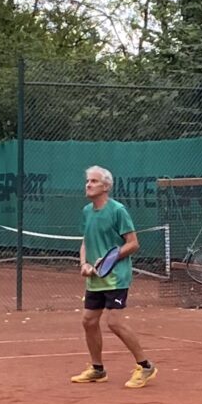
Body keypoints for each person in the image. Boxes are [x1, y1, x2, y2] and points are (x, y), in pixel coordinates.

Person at [72, 166, 157, 388]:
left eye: (94, 181)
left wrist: (110, 259)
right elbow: (85, 241)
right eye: (87, 181)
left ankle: (145, 366)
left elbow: (133, 243)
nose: (88, 184)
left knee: (114, 322)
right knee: (89, 321)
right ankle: (97, 369)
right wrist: (84, 263)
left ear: (106, 186)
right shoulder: (86, 211)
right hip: (95, 278)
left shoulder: (118, 211)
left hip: (116, 277)